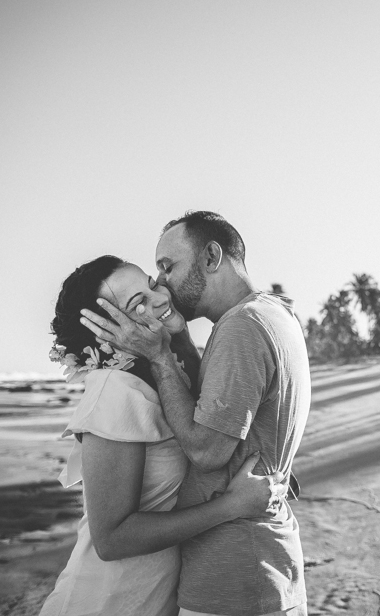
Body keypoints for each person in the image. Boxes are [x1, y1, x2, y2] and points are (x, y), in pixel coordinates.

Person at [81, 211, 311, 616]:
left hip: (235, 577)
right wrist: (180, 341)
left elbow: (207, 451)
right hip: (261, 564)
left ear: (210, 257)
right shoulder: (275, 314)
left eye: (168, 267)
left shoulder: (241, 327)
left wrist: (159, 356)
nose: (163, 282)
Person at [40, 256, 285, 616]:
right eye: (137, 303)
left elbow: (212, 429)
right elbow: (111, 539)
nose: (159, 297)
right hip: (107, 601)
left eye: (151, 284)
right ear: (108, 333)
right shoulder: (116, 392)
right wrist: (231, 507)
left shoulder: (167, 376)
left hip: (159, 597)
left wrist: (177, 340)